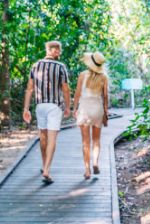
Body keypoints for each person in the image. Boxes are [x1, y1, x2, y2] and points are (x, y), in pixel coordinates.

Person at [23, 40, 71, 184]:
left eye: (58, 50)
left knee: (42, 137)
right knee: (52, 139)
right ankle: (47, 170)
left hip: (40, 106)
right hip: (54, 106)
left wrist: (26, 108)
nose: (58, 52)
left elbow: (29, 88)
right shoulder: (60, 67)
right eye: (57, 49)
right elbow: (66, 89)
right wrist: (68, 106)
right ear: (51, 50)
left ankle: (44, 165)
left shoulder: (35, 65)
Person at [73, 51, 109, 180]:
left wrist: (74, 108)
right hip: (97, 109)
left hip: (84, 109)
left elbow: (77, 93)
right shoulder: (104, 77)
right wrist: (106, 111)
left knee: (85, 141)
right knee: (96, 140)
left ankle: (87, 169)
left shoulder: (83, 75)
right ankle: (95, 163)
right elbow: (105, 96)